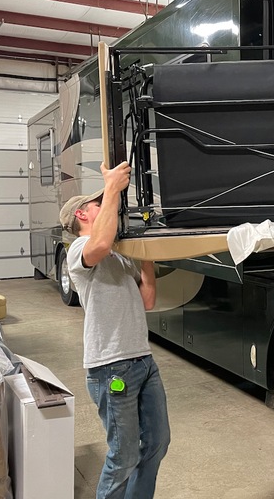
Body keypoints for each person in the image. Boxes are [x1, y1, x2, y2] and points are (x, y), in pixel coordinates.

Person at [59, 161, 170, 499]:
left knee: (156, 443)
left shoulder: (120, 257)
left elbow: (147, 300)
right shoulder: (79, 251)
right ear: (81, 215)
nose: (107, 204)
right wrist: (111, 187)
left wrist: (146, 253)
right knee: (122, 456)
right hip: (111, 367)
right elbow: (101, 244)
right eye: (98, 203)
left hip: (143, 361)